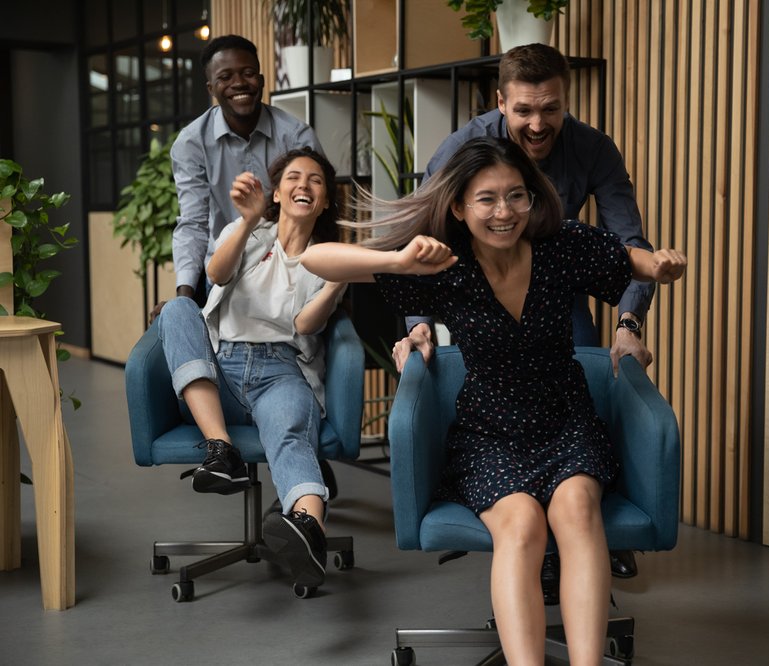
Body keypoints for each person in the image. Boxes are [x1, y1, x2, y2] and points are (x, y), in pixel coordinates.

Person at [300, 137, 686, 665]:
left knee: (577, 509)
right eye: (486, 199)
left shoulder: (561, 244)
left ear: (533, 197)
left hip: (565, 420)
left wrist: (660, 265)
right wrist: (401, 260)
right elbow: (314, 258)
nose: (504, 213)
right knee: (522, 525)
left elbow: (629, 260)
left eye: (516, 196)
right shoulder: (442, 261)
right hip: (489, 431)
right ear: (458, 205)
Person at [397, 42, 662, 585]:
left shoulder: (592, 148)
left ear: (566, 101)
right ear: (501, 103)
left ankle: (573, 517)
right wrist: (417, 324)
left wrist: (629, 325)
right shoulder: (464, 147)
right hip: (475, 293)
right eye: (524, 111)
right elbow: (416, 237)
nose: (538, 124)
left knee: (577, 367)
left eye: (551, 109)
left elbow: (628, 242)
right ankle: (532, 535)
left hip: (555, 287)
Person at [157, 147, 346, 588]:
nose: (304, 185)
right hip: (217, 373)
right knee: (179, 309)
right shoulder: (249, 233)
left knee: (291, 437)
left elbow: (305, 324)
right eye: (294, 177)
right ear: (277, 193)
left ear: (325, 200)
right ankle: (221, 451)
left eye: (316, 180)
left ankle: (309, 530)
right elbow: (216, 274)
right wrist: (246, 220)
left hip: (281, 372)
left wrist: (339, 279)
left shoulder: (326, 256)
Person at [165, 33, 339, 500]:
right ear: (211, 87)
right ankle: (222, 451)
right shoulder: (192, 142)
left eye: (247, 73)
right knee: (178, 310)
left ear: (262, 78)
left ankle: (301, 446)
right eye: (226, 77)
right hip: (230, 265)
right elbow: (193, 222)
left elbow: (318, 198)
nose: (239, 83)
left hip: (295, 263)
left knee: (311, 329)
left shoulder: (294, 133)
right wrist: (187, 290)